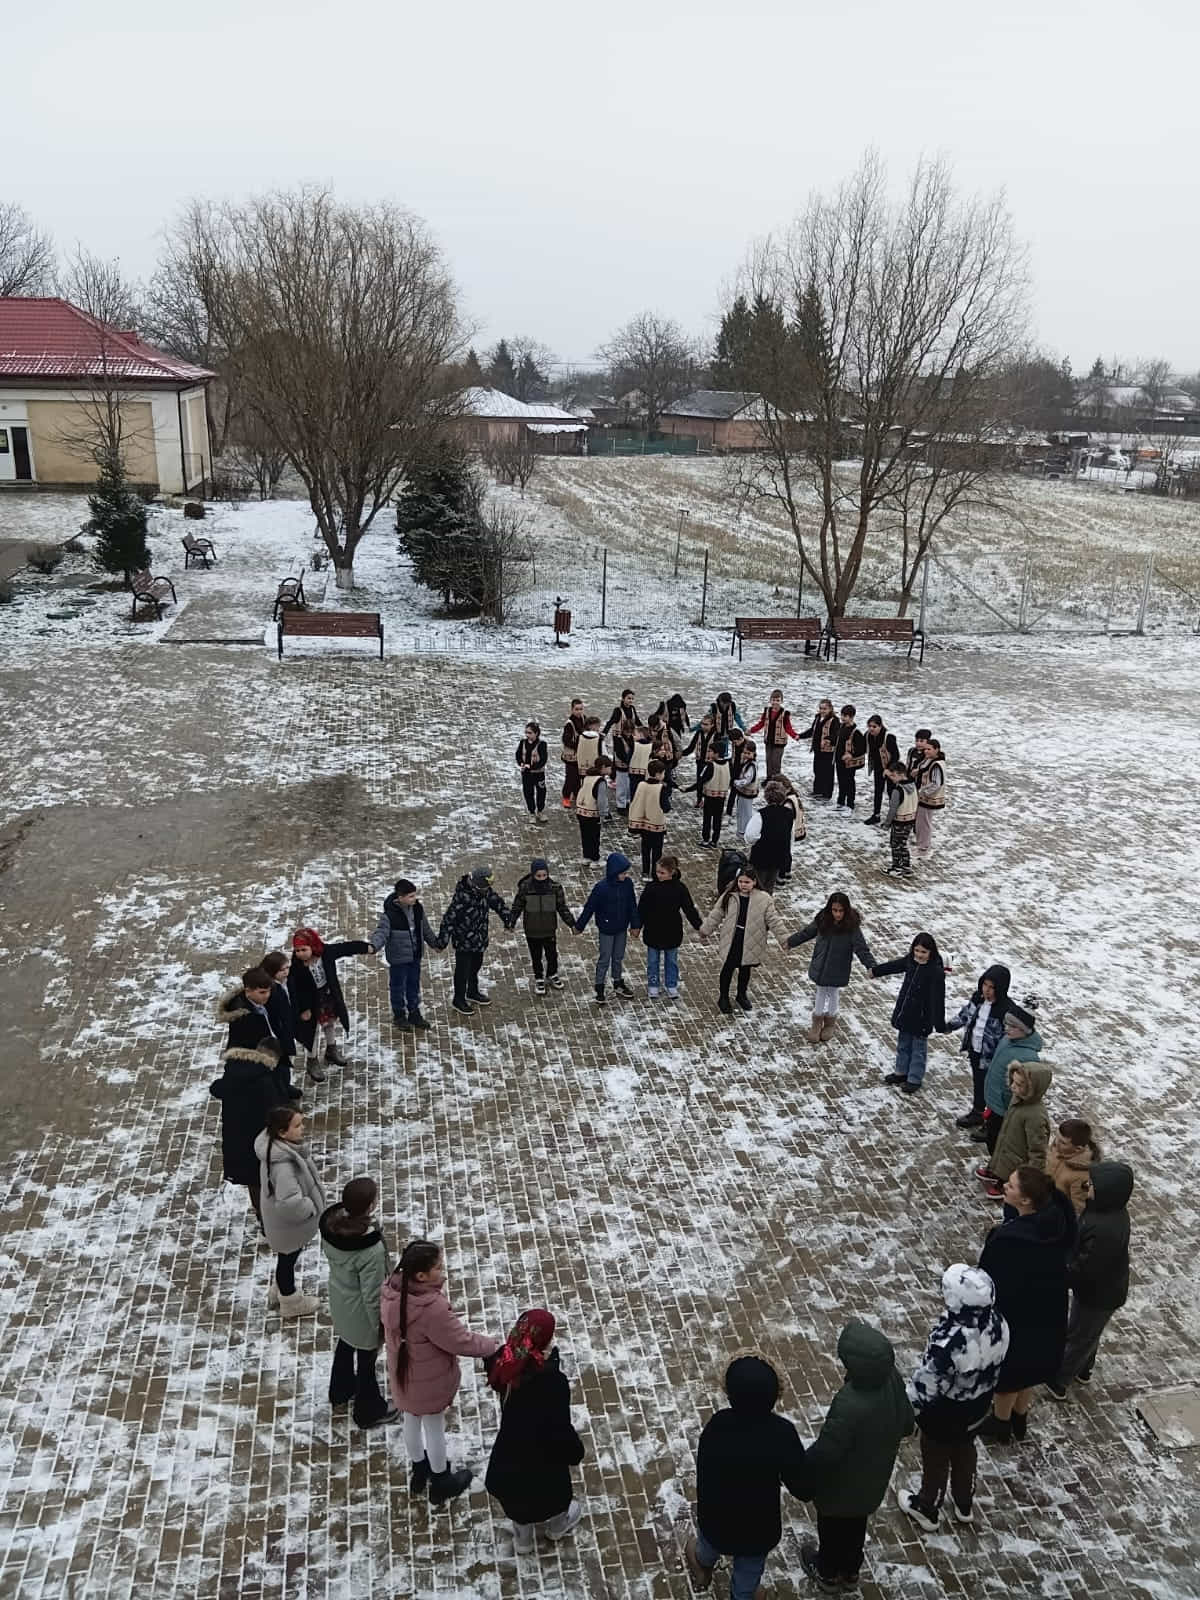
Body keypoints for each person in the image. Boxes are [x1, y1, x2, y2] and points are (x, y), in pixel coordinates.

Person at [797, 1321, 915, 1594]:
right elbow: (908, 1423)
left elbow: (828, 1451)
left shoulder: (849, 1403)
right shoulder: (892, 1380)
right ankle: (850, 1572)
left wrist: (803, 1469)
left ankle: (827, 1573)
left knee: (831, 1530)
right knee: (855, 1527)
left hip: (839, 1487)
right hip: (871, 1482)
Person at [381, 1240, 501, 1505]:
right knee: (434, 1427)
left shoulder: (390, 1292)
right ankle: (441, 1481)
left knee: (411, 1419)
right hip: (429, 1381)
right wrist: (492, 1346)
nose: (442, 1271)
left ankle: (419, 1469)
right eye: (437, 1267)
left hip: (403, 1375)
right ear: (421, 1276)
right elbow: (460, 1340)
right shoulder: (430, 1309)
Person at [894, 1264, 1010, 1532]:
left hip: (946, 1414)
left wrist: (904, 1413)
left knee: (936, 1458)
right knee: (966, 1449)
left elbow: (926, 1386)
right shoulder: (999, 1323)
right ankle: (964, 1502)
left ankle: (928, 1507)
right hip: (979, 1405)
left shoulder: (950, 1343)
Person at [684, 1354, 807, 1600]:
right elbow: (802, 1486)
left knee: (708, 1545)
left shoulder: (718, 1424)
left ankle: (702, 1565)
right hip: (757, 1528)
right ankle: (742, 1595)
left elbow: (704, 1470)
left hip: (716, 1517)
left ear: (730, 1395)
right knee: (749, 1571)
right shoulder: (781, 1433)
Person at [977, 1166, 1076, 1442]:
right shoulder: (1056, 1225)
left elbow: (990, 1280)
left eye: (1010, 1186)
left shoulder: (1012, 1242)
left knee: (1009, 1376)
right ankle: (1020, 1417)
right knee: (1030, 1370)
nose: (1004, 1187)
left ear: (1026, 1200)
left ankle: (1001, 1423)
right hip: (1047, 1314)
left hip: (1016, 1319)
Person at [484, 1309, 586, 1554]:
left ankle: (523, 1540)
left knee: (517, 1501)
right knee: (554, 1495)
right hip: (544, 1459)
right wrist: (575, 1450)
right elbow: (559, 1426)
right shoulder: (551, 1383)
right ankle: (557, 1527)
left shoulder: (504, 1362)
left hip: (509, 1456)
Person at [1047, 1160, 1134, 1398]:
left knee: (1079, 1336)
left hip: (1097, 1295)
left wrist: (1061, 1277)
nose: (1087, 1186)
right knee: (1088, 1332)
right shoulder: (1105, 1210)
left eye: (1092, 1184)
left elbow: (1086, 1268)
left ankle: (1059, 1380)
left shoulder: (1104, 1228)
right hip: (1101, 1290)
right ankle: (1084, 1369)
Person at [319, 1177, 397, 1429]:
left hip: (341, 1302)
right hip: (362, 1314)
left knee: (345, 1345)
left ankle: (340, 1392)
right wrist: (380, 1325)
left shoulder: (332, 1231)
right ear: (370, 1205)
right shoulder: (369, 1250)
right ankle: (368, 1410)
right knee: (366, 1362)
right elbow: (372, 1295)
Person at [255, 1104, 326, 1318]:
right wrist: (311, 1207)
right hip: (288, 1228)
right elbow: (289, 1203)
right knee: (287, 1260)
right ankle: (290, 1301)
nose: (302, 1128)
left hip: (281, 1226)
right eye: (297, 1125)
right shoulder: (284, 1166)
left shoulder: (274, 1148)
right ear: (282, 1132)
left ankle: (280, 1289)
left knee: (286, 1259)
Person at [209, 1031, 284, 1229]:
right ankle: (271, 1220)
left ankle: (261, 1217)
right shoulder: (264, 1082)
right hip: (260, 1139)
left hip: (237, 1139)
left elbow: (216, 1088)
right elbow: (275, 1113)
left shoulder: (234, 1070)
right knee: (266, 1179)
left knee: (253, 1181)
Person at [786, 892, 877, 1044]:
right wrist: (791, 942)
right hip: (821, 964)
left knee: (833, 992)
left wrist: (871, 965)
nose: (838, 914)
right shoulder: (823, 919)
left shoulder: (851, 927)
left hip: (838, 967)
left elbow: (861, 948)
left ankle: (830, 1022)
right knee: (821, 991)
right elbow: (807, 932)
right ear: (830, 909)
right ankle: (816, 1023)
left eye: (841, 911)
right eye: (835, 910)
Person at [699, 865, 785, 1015]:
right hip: (733, 938)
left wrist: (784, 938)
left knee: (745, 969)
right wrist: (705, 930)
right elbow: (716, 914)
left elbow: (773, 920)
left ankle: (741, 994)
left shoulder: (764, 899)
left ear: (754, 882)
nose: (743, 885)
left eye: (747, 882)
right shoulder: (730, 895)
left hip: (751, 939)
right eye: (740, 881)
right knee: (728, 968)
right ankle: (723, 997)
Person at [288, 927, 372, 1078]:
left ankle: (331, 1049)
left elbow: (344, 948)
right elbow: (294, 990)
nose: (300, 954)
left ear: (313, 946)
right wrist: (303, 1009)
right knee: (311, 1032)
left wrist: (365, 947)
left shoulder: (325, 952)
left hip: (326, 995)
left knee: (329, 1022)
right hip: (309, 1003)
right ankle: (312, 1060)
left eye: (304, 949)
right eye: (297, 950)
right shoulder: (296, 966)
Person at [871, 932, 949, 1094]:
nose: (919, 955)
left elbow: (938, 1000)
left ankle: (914, 1078)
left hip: (922, 1018)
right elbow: (894, 966)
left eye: (923, 952)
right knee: (903, 1044)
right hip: (905, 1013)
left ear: (931, 952)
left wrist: (939, 1023)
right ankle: (901, 1072)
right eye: (917, 950)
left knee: (918, 1050)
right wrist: (876, 971)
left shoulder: (935, 972)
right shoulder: (910, 961)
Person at [977, 999, 1043, 1168]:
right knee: (992, 1137)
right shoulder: (1007, 1039)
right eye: (1007, 1024)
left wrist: (1007, 1105)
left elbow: (1023, 1089)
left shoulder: (1028, 1057)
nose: (1007, 1028)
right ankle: (994, 1164)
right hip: (994, 1101)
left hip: (1004, 1107)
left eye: (1013, 1026)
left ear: (1025, 1030)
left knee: (999, 1142)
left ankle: (1000, 1172)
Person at [945, 964, 1011, 1132]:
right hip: (976, 1051)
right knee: (979, 1083)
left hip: (993, 1058)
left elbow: (1008, 1037)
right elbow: (966, 1014)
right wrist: (949, 1026)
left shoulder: (1005, 1010)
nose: (987, 990)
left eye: (992, 987)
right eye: (985, 985)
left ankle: (993, 1122)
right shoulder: (978, 999)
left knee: (993, 1090)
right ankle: (978, 1112)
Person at [436, 867, 509, 1017]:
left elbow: (498, 903)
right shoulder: (462, 897)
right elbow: (449, 920)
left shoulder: (485, 892)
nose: (488, 889)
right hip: (464, 943)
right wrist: (442, 942)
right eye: (486, 885)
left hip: (479, 940)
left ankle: (472, 992)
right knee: (462, 972)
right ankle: (458, 999)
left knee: (475, 966)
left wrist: (508, 919)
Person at [368, 878, 440, 1030]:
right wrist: (373, 946)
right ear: (400, 898)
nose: (415, 898)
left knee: (413, 985)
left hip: (415, 955)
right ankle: (399, 1015)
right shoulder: (390, 915)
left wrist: (435, 943)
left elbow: (425, 929)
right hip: (398, 959)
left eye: (415, 895)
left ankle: (414, 1013)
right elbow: (381, 932)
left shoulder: (418, 909)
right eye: (411, 896)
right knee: (398, 987)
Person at [980, 1062, 1053, 1201]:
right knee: (1002, 1158)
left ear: (1033, 1089)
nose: (1013, 1086)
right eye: (1013, 1081)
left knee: (1011, 1170)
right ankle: (995, 1171)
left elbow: (1038, 1150)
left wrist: (1033, 1177)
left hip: (1018, 1159)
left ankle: (1004, 1185)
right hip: (1008, 1144)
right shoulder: (1018, 1098)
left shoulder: (1036, 1116)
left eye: (1019, 1085)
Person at [574, 852, 640, 1004]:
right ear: (614, 872)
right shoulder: (601, 888)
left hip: (621, 927)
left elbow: (632, 905)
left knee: (618, 957)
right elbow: (589, 908)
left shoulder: (627, 884)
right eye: (622, 873)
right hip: (606, 929)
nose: (625, 875)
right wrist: (580, 926)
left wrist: (635, 925)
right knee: (604, 958)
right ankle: (599, 986)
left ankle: (617, 982)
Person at [637, 854, 702, 999]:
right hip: (653, 930)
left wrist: (699, 926)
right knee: (653, 961)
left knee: (671, 961)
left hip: (672, 930)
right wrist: (637, 926)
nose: (658, 875)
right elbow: (642, 909)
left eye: (662, 873)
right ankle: (653, 984)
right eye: (657, 872)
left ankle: (671, 985)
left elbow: (689, 909)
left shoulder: (680, 888)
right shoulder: (651, 887)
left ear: (672, 872)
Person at [506, 858, 575, 996]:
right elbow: (517, 907)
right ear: (533, 875)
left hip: (549, 929)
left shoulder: (555, 888)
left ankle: (552, 974)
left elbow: (562, 908)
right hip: (532, 930)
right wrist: (511, 922)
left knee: (552, 955)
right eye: (539, 876)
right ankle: (539, 978)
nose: (542, 878)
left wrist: (572, 924)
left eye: (544, 875)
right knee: (536, 956)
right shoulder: (525, 888)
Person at [261, 952, 301, 1101]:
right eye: (282, 970)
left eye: (287, 968)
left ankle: (286, 1087)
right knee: (279, 1066)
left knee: (285, 1063)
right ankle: (281, 1094)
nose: (286, 972)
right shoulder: (270, 991)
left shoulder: (286, 981)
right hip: (277, 1034)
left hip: (286, 1028)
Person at [744, 779, 794, 894]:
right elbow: (790, 836)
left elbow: (750, 836)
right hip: (778, 857)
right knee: (769, 887)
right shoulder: (788, 814)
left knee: (757, 887)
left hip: (761, 858)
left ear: (767, 797)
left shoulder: (761, 814)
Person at [1046, 1119, 1102, 1216]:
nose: (1056, 1142)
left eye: (1063, 1142)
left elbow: (1077, 1208)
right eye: (1057, 1137)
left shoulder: (1082, 1176)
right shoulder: (1057, 1148)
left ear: (1078, 1149)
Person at [684, 736, 732, 848]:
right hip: (721, 796)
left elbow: (701, 781)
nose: (708, 753)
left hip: (710, 797)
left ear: (716, 753)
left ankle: (706, 839)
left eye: (710, 751)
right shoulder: (728, 764)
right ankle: (715, 840)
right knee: (717, 819)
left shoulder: (710, 765)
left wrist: (688, 789)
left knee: (707, 818)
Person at [628, 756, 672, 878]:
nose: (664, 775)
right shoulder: (661, 788)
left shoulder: (641, 784)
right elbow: (666, 807)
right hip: (656, 825)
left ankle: (645, 871)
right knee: (657, 851)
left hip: (643, 824)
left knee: (645, 849)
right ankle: (654, 873)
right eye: (663, 773)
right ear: (658, 774)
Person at [749, 690, 801, 780]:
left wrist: (794, 735)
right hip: (768, 741)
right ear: (770, 700)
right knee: (768, 761)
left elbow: (788, 727)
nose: (775, 702)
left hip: (779, 743)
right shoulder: (767, 711)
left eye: (777, 700)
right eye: (773, 700)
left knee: (776, 762)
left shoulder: (785, 714)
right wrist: (751, 730)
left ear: (781, 701)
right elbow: (761, 723)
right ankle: (769, 779)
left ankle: (777, 780)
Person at [881, 760, 919, 878]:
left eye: (893, 775)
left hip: (899, 822)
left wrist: (887, 824)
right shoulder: (913, 786)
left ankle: (896, 868)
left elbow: (892, 810)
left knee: (895, 844)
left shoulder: (897, 791)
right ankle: (906, 867)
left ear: (901, 774)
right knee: (903, 843)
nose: (892, 778)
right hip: (910, 820)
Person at [799, 698, 839, 801]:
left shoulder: (834, 720)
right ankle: (817, 791)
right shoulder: (817, 718)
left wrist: (828, 739)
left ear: (830, 709)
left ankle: (827, 794)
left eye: (825, 709)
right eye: (821, 708)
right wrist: (800, 736)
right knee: (817, 770)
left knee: (828, 773)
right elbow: (812, 731)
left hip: (828, 751)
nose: (822, 711)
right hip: (818, 750)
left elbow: (836, 735)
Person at [864, 715, 901, 825]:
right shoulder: (868, 736)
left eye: (874, 726)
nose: (871, 729)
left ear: (880, 726)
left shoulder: (888, 737)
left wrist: (889, 769)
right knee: (878, 791)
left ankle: (895, 816)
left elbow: (896, 755)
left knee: (891, 792)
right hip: (878, 768)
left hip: (891, 769)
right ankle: (876, 815)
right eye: (869, 726)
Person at [914, 737, 947, 856]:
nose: (926, 751)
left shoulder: (936, 764)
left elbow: (936, 784)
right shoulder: (933, 761)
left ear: (936, 749)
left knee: (923, 823)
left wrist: (923, 792)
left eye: (929, 749)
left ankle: (923, 848)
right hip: (926, 797)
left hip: (927, 798)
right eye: (925, 749)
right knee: (923, 822)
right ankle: (922, 845)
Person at [834, 705, 867, 816]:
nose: (842, 718)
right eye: (842, 715)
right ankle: (840, 802)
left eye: (845, 716)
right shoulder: (841, 727)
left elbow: (862, 749)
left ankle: (850, 804)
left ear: (852, 717)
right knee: (841, 781)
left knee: (849, 782)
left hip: (849, 763)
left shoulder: (856, 732)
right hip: (839, 760)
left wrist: (851, 755)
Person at [574, 759, 609, 864]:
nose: (611, 770)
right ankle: (594, 859)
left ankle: (586, 856)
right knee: (594, 837)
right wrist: (603, 814)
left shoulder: (587, 777)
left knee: (585, 835)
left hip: (581, 810)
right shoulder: (600, 781)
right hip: (593, 813)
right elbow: (601, 800)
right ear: (603, 767)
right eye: (609, 767)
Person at [680, 713, 716, 809]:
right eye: (702, 724)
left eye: (706, 724)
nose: (703, 726)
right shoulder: (699, 733)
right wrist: (681, 754)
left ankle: (705, 799)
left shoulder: (716, 735)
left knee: (707, 782)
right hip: (700, 761)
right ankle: (699, 800)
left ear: (712, 725)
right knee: (700, 781)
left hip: (710, 763)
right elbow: (691, 747)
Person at [515, 721, 548, 823]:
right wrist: (521, 763)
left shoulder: (542, 744)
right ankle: (532, 812)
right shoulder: (523, 742)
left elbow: (543, 760)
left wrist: (532, 767)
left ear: (536, 733)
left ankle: (540, 811)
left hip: (538, 773)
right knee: (528, 792)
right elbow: (518, 754)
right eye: (526, 732)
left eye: (530, 733)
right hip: (526, 773)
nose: (527, 735)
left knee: (541, 792)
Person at [730, 739, 759, 840]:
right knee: (741, 811)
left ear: (753, 753)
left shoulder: (751, 766)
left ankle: (745, 831)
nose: (746, 755)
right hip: (743, 792)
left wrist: (736, 782)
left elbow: (747, 780)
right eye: (745, 752)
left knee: (745, 813)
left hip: (747, 793)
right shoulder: (746, 762)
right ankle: (741, 830)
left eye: (748, 753)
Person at [559, 698, 586, 807]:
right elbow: (566, 740)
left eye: (581, 709)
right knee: (570, 777)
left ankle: (576, 794)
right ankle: (566, 797)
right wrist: (579, 745)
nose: (579, 711)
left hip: (580, 755)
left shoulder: (584, 719)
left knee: (578, 776)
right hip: (571, 757)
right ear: (572, 710)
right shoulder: (569, 724)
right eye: (576, 709)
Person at [610, 719, 634, 813]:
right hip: (621, 766)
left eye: (630, 731)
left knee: (628, 786)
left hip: (629, 766)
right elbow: (619, 753)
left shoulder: (631, 738)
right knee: (621, 787)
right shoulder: (618, 739)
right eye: (627, 731)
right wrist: (627, 760)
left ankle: (627, 802)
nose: (629, 733)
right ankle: (620, 806)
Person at [575, 716, 603, 780]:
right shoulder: (599, 739)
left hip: (581, 768)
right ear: (591, 726)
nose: (599, 728)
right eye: (598, 726)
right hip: (595, 769)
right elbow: (603, 754)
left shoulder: (579, 737)